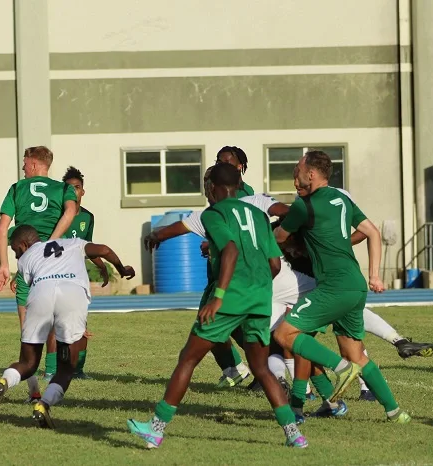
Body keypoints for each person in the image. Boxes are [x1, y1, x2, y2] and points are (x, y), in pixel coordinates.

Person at [129, 163, 307, 449]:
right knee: (261, 368)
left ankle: (156, 428)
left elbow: (231, 250)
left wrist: (220, 296)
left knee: (188, 358)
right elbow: (274, 263)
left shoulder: (214, 214)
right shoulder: (258, 214)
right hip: (259, 299)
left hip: (230, 298)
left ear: (213, 187)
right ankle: (294, 434)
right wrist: (257, 289)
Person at [272, 151, 410, 423]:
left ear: (311, 174)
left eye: (298, 168)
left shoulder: (304, 205)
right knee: (357, 354)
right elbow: (372, 232)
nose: (295, 172)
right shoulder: (343, 198)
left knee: (285, 335)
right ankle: (396, 413)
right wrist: (375, 276)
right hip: (356, 286)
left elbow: (279, 236)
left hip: (332, 287)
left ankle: (339, 370)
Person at [0, 225, 135, 428]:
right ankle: (43, 405)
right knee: (66, 368)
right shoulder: (74, 243)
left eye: (15, 250)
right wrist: (121, 268)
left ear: (24, 245)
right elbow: (104, 250)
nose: (16, 255)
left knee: (28, 364)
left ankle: (3, 382)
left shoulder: (26, 258)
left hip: (41, 294)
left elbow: (37, 284)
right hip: (72, 295)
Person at [0, 146, 79, 401]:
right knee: (60, 325)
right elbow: (71, 211)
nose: (22, 168)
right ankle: (55, 380)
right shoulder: (63, 188)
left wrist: (3, 265)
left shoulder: (16, 188)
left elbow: (2, 228)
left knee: (27, 335)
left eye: (24, 163)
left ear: (32, 164)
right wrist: (51, 241)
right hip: (54, 264)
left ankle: (33, 392)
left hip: (27, 262)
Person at [35, 166, 105, 381]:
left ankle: (78, 369)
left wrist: (102, 266)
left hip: (76, 277)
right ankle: (50, 369)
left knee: (81, 325)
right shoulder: (58, 215)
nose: (74, 191)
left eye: (77, 188)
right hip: (56, 274)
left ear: (83, 191)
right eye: (69, 188)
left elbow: (87, 246)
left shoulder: (88, 217)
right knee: (56, 323)